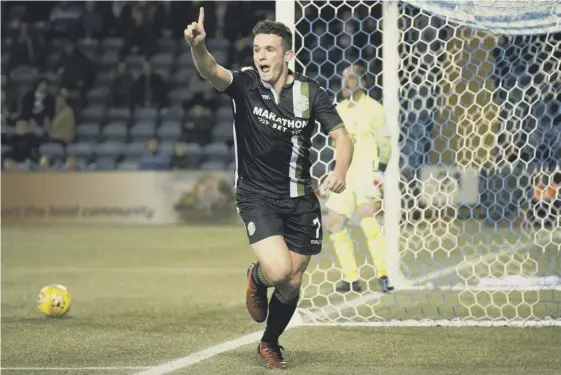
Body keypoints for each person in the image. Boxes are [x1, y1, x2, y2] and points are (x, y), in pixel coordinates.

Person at [184, 8, 354, 370]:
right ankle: (256, 276)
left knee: (293, 280)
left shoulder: (311, 92)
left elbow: (341, 136)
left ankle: (270, 343)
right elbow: (211, 70)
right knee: (278, 272)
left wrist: (340, 170)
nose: (261, 56)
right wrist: (199, 46)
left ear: (287, 55)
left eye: (269, 50)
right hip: (256, 195)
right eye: (257, 49)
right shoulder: (244, 84)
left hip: (301, 198)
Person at [324, 64, 394, 293]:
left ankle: (384, 274)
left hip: (366, 174)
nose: (346, 82)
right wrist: (333, 171)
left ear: (362, 81)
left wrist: (379, 171)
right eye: (343, 77)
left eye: (351, 77)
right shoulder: (338, 109)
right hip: (345, 175)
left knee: (368, 220)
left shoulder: (374, 109)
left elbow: (385, 144)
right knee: (334, 223)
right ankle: (351, 278)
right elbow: (336, 145)